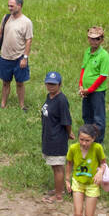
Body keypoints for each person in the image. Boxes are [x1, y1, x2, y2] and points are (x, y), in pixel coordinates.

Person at [65, 123, 106, 216]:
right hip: (78, 183)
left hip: (92, 185)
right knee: (77, 213)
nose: (83, 143)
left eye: (87, 140)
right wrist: (67, 180)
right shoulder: (73, 148)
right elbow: (69, 163)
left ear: (93, 139)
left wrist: (100, 172)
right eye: (81, 139)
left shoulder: (97, 148)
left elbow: (103, 163)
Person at [0, 0, 33, 110]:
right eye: (8, 5)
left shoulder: (26, 22)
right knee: (5, 82)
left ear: (19, 6)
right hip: (5, 57)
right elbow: (0, 33)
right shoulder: (6, 18)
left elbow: (29, 40)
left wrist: (25, 58)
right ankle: (3, 104)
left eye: (12, 6)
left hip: (19, 57)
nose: (9, 8)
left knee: (20, 83)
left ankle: (22, 105)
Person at [40, 72, 73, 202]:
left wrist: (69, 133)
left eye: (53, 84)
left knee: (58, 167)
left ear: (60, 84)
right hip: (49, 137)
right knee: (56, 166)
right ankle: (59, 188)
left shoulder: (62, 100)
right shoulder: (49, 96)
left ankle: (58, 196)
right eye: (48, 83)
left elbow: (67, 121)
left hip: (57, 139)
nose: (50, 86)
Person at [78, 26, 109, 143]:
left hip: (97, 91)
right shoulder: (87, 51)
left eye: (97, 39)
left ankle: (98, 141)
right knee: (87, 114)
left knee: (98, 117)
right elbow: (83, 68)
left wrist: (90, 90)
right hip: (86, 90)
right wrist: (81, 85)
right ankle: (87, 137)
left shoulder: (104, 55)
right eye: (91, 38)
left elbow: (103, 76)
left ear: (101, 40)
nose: (94, 41)